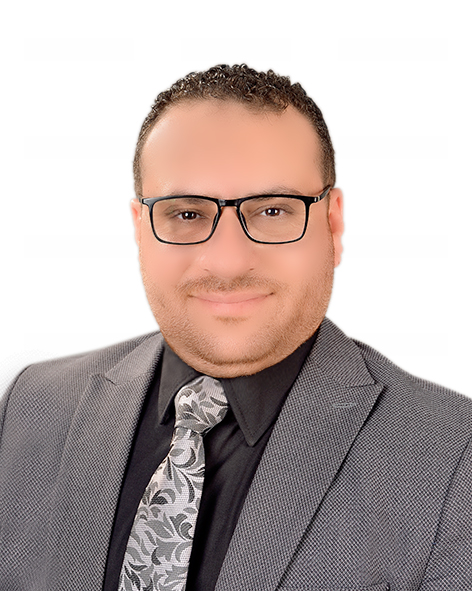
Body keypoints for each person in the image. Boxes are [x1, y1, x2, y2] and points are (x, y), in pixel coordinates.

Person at [0, 64, 471, 591]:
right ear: (140, 229)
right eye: (186, 214)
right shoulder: (31, 408)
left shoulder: (453, 458)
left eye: (273, 211)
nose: (226, 261)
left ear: (333, 225)